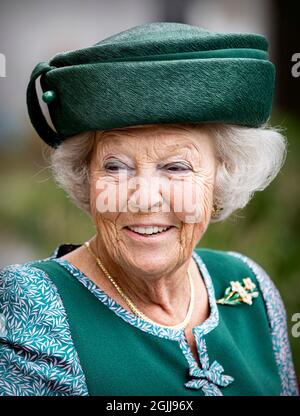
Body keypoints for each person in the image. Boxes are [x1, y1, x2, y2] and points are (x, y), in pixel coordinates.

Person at [0, 22, 298, 396]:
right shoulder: (34, 302)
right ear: (87, 178)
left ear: (222, 177)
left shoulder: (249, 286)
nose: (143, 197)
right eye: (116, 167)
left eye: (176, 167)